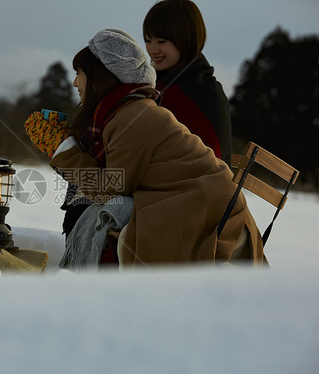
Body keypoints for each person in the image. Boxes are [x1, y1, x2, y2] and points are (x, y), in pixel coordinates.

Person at [24, 29, 265, 269]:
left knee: (106, 213)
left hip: (206, 216)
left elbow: (110, 189)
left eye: (79, 73)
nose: (75, 82)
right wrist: (69, 142)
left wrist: (63, 148)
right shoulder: (126, 112)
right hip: (199, 206)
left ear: (99, 77)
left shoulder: (132, 118)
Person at [143, 0, 232, 165]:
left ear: (185, 41)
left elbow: (211, 165)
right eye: (148, 40)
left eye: (161, 42)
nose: (152, 49)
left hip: (191, 188)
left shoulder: (203, 94)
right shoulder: (155, 85)